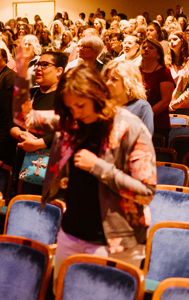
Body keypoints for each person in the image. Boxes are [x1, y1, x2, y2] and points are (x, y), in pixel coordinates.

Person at [12, 42, 156, 276]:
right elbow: (24, 116)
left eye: (80, 105)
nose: (75, 113)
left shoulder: (131, 128)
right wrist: (20, 72)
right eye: (70, 108)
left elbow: (146, 192)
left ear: (97, 96)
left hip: (115, 240)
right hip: (71, 232)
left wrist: (99, 167)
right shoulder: (73, 121)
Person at [103, 58, 154, 135]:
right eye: (106, 79)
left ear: (128, 82)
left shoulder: (142, 107)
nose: (108, 83)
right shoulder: (103, 105)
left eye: (114, 79)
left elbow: (146, 137)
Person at [139, 38, 174, 140]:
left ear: (158, 55)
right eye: (144, 47)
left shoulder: (164, 73)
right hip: (136, 122)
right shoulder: (135, 71)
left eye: (151, 48)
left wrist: (145, 116)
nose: (146, 49)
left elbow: (165, 101)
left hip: (157, 124)